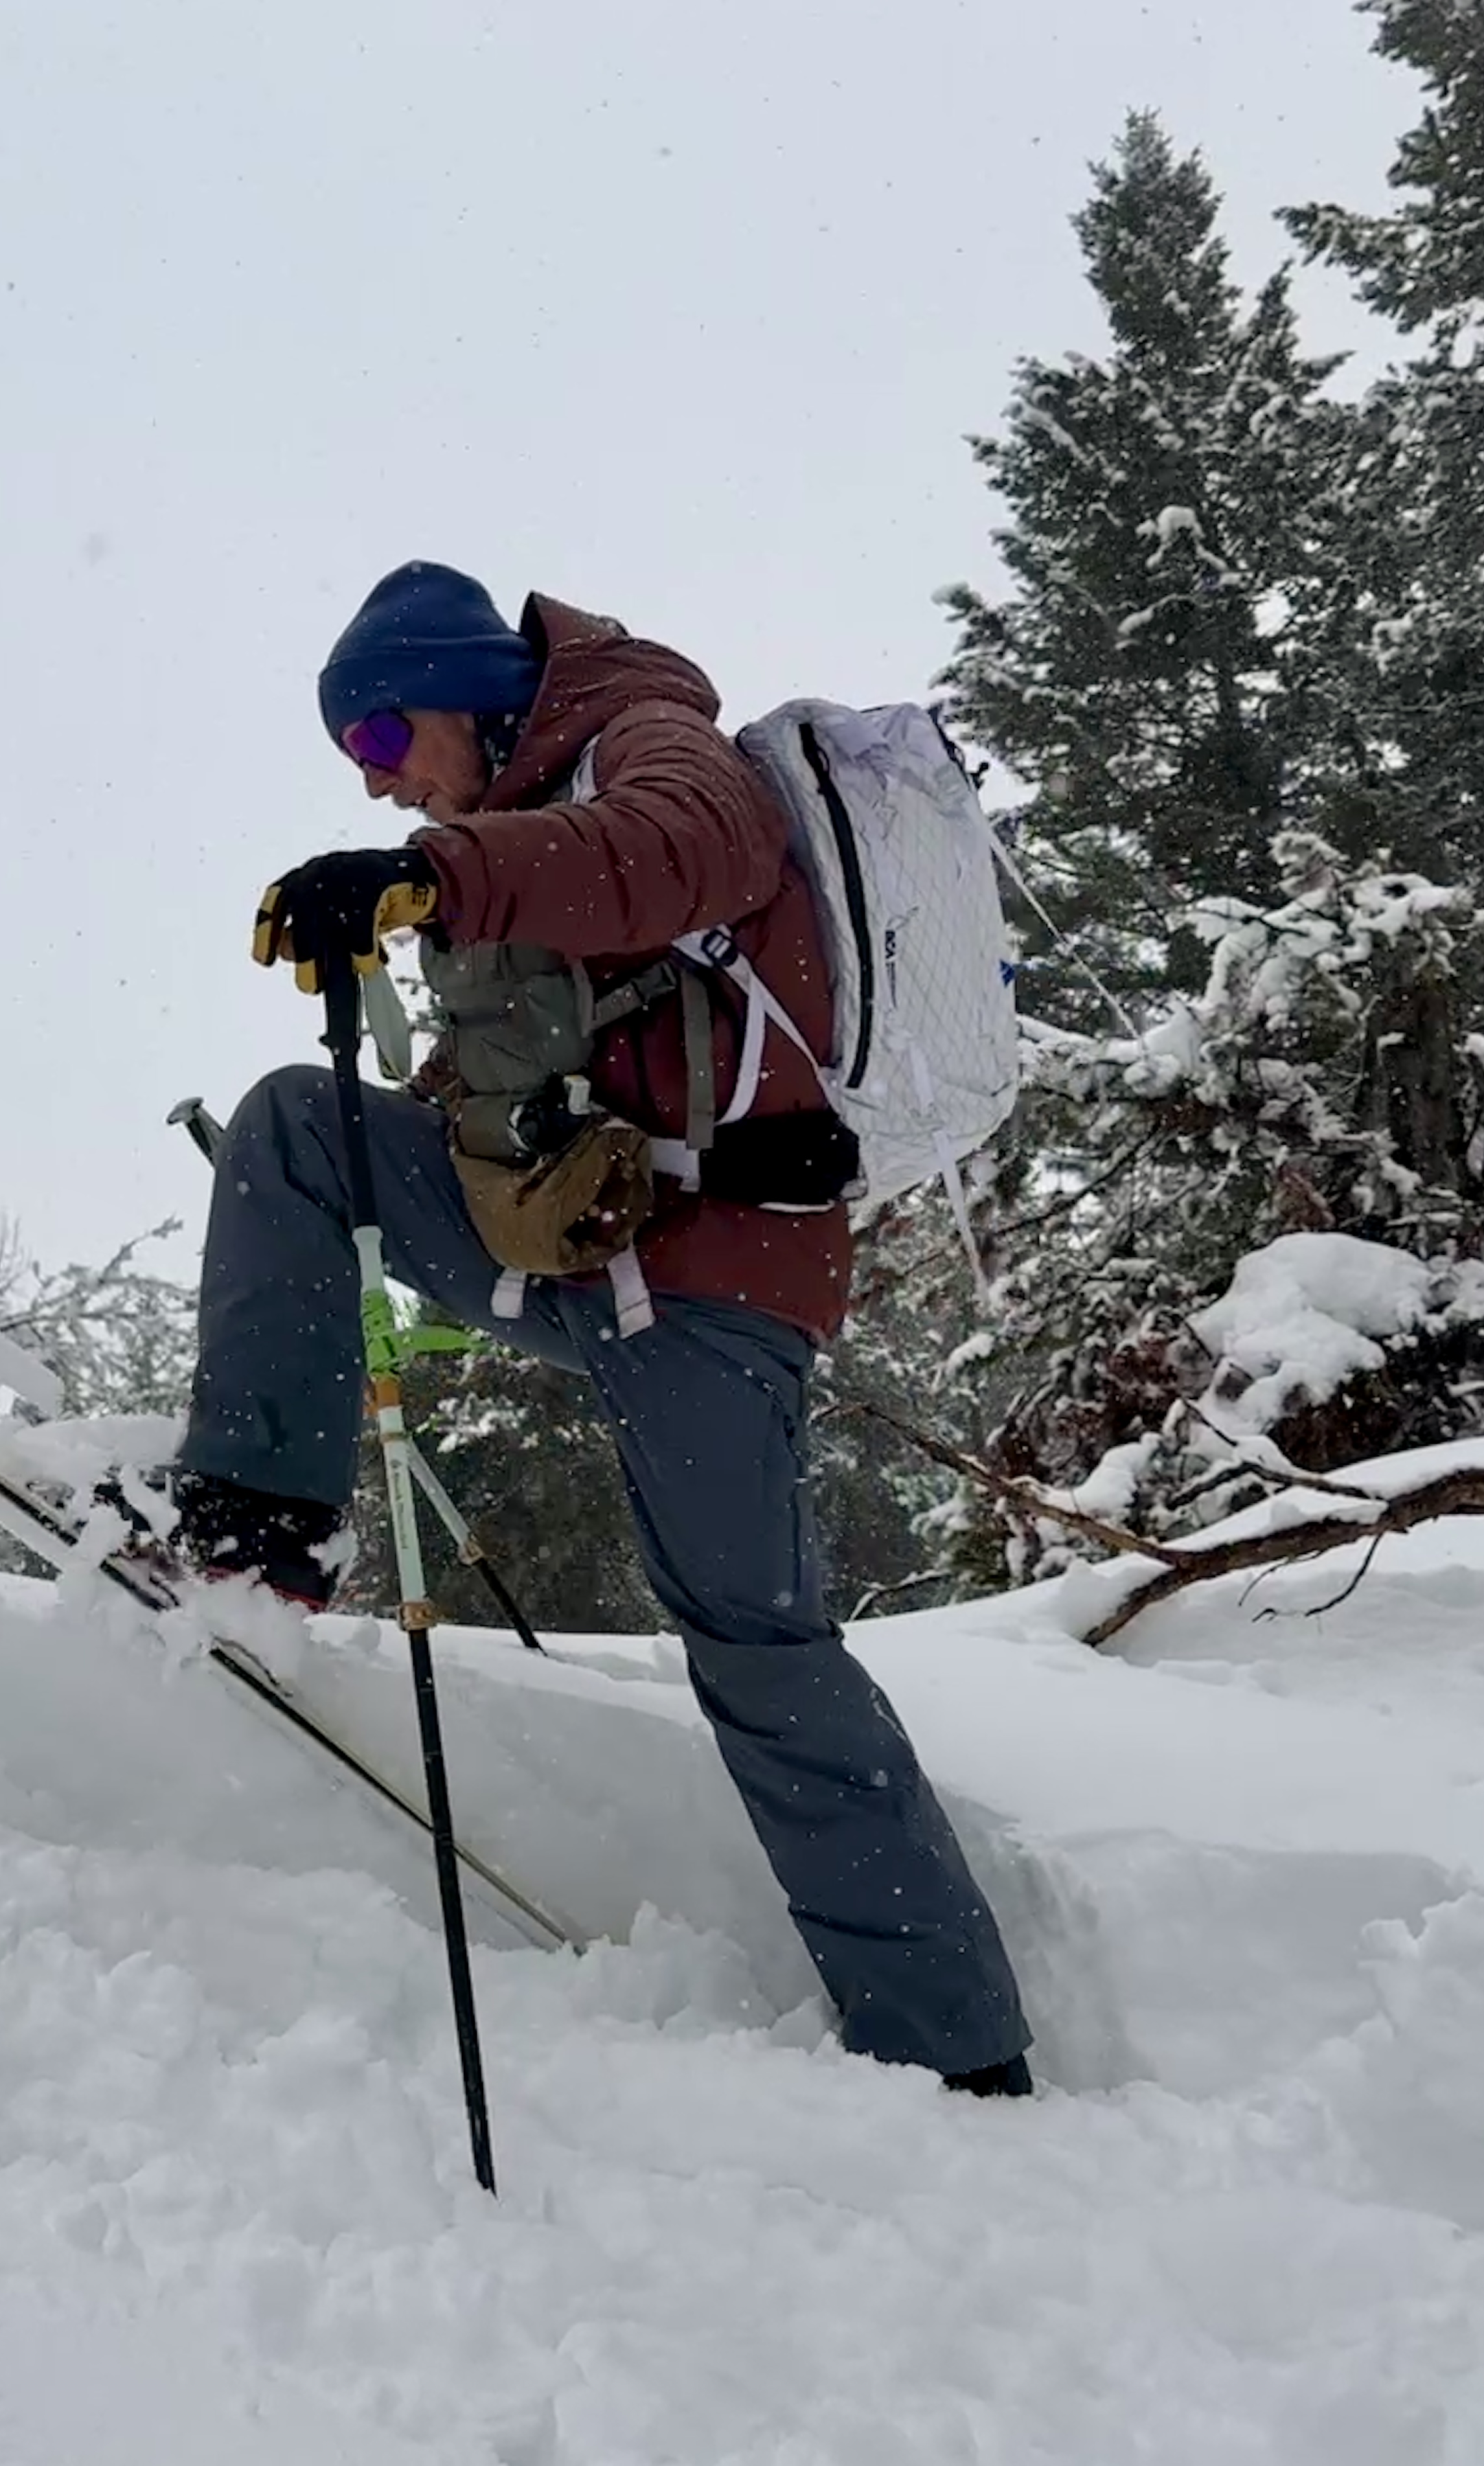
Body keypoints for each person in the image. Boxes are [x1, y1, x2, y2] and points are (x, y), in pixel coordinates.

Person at [168, 559, 1034, 2097]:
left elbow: (694, 849)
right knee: (302, 1127)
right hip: (579, 1252)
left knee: (754, 1640)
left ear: (455, 690)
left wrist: (433, 872)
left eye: (379, 743)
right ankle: (251, 1532)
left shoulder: (648, 736)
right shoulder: (515, 845)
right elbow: (512, 1087)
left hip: (712, 1280)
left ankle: (956, 2045)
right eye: (356, 769)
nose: (378, 785)